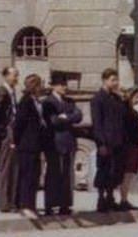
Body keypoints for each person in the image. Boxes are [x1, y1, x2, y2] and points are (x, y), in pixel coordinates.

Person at [42, 73, 82, 216]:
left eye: (66, 84)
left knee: (67, 175)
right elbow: (53, 121)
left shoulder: (69, 101)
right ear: (54, 86)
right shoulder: (48, 102)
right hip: (54, 142)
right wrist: (67, 118)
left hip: (68, 141)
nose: (65, 87)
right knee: (53, 174)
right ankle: (50, 204)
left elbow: (78, 116)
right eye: (62, 84)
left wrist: (66, 117)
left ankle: (65, 204)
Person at [90, 69, 129, 213]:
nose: (116, 83)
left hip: (118, 141)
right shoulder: (98, 99)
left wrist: (125, 100)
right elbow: (97, 123)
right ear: (105, 80)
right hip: (106, 141)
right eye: (113, 80)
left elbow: (123, 117)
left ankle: (110, 197)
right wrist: (101, 143)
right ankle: (101, 199)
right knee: (104, 170)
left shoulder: (117, 98)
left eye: (116, 80)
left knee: (115, 171)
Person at [11, 72, 47, 218]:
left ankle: (31, 205)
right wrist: (15, 142)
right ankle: (24, 205)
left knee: (34, 176)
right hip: (27, 145)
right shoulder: (25, 102)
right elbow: (18, 124)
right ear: (35, 86)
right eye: (40, 85)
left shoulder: (35, 101)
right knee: (27, 176)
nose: (42, 88)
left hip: (35, 145)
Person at [0, 65, 21, 213]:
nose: (16, 78)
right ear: (6, 76)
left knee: (12, 168)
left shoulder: (11, 92)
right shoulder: (2, 92)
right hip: (7, 135)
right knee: (7, 169)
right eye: (14, 75)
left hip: (11, 133)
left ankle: (10, 201)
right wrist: (2, 131)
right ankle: (5, 203)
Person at [121, 87, 138, 208]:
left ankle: (124, 198)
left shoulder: (134, 111)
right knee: (127, 173)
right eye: (136, 96)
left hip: (134, 144)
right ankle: (123, 199)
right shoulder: (125, 111)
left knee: (130, 173)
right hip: (129, 144)